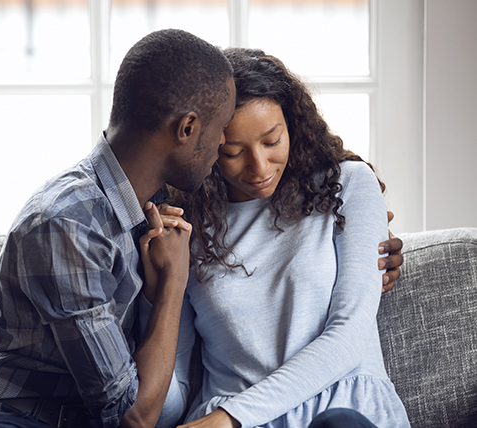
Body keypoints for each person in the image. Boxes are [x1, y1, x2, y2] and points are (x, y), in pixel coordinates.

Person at [0, 29, 236, 428]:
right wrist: (172, 284)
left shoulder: (149, 213)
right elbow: (132, 417)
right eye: (222, 126)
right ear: (186, 128)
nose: (223, 141)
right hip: (14, 417)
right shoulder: (68, 222)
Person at [150, 48, 411, 428]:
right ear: (203, 149)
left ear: (293, 124)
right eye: (233, 152)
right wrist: (161, 292)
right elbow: (169, 400)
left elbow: (351, 334)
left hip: (340, 409)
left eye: (272, 141)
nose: (259, 167)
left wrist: (229, 417)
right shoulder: (185, 229)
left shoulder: (347, 185)